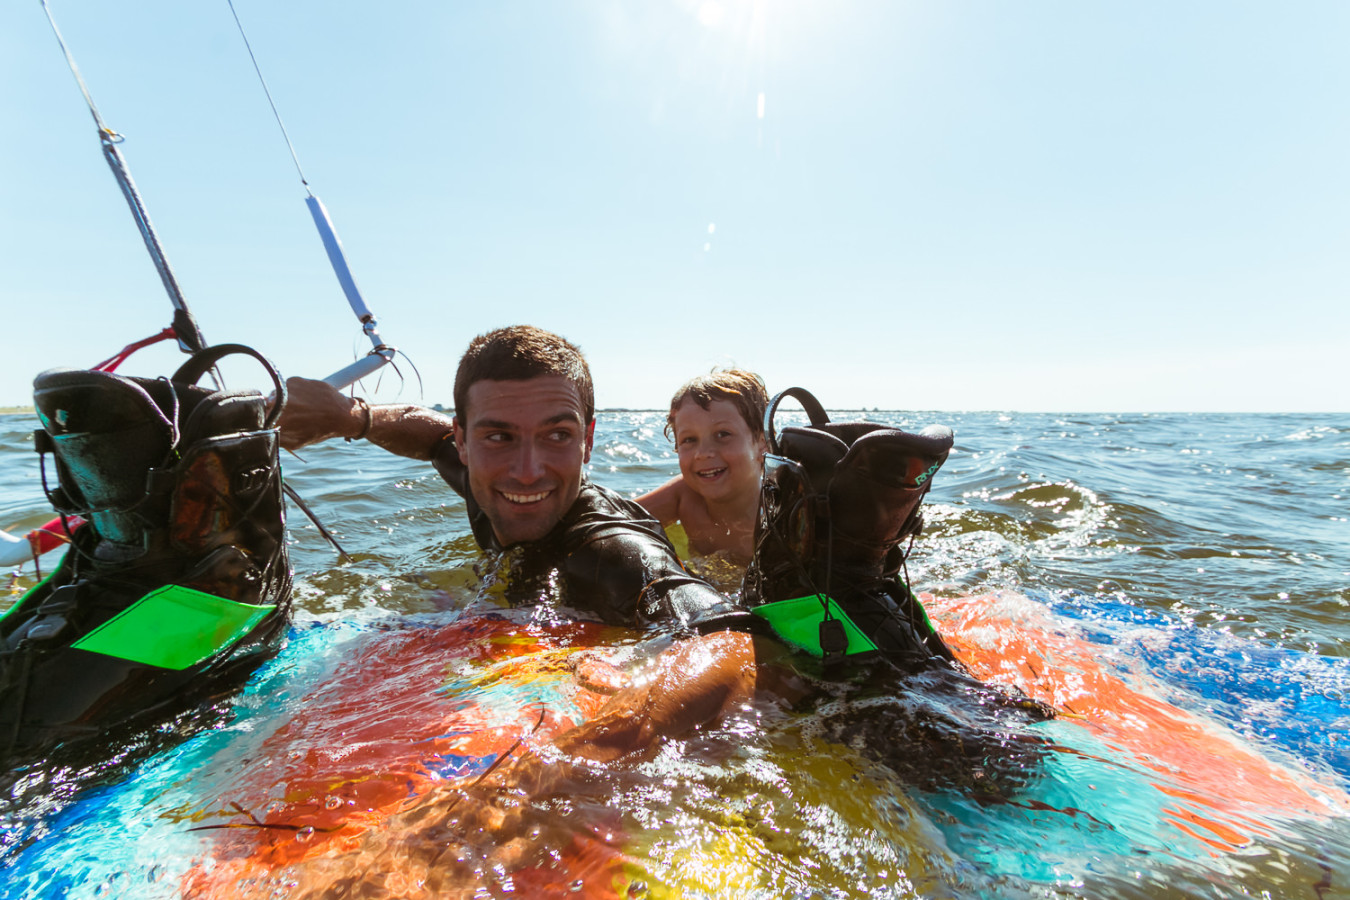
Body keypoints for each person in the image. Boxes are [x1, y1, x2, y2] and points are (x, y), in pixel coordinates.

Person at [279, 325, 786, 759]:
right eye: (498, 436)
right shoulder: (480, 475)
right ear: (464, 441)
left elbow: (737, 641)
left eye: (557, 435)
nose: (526, 472)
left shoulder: (611, 548)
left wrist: (557, 769)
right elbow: (427, 433)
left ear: (588, 440)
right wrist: (352, 418)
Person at [635, 368, 767, 567]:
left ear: (762, 444)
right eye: (689, 440)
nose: (703, 453)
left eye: (722, 434)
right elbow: (614, 519)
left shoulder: (779, 510)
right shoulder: (684, 497)